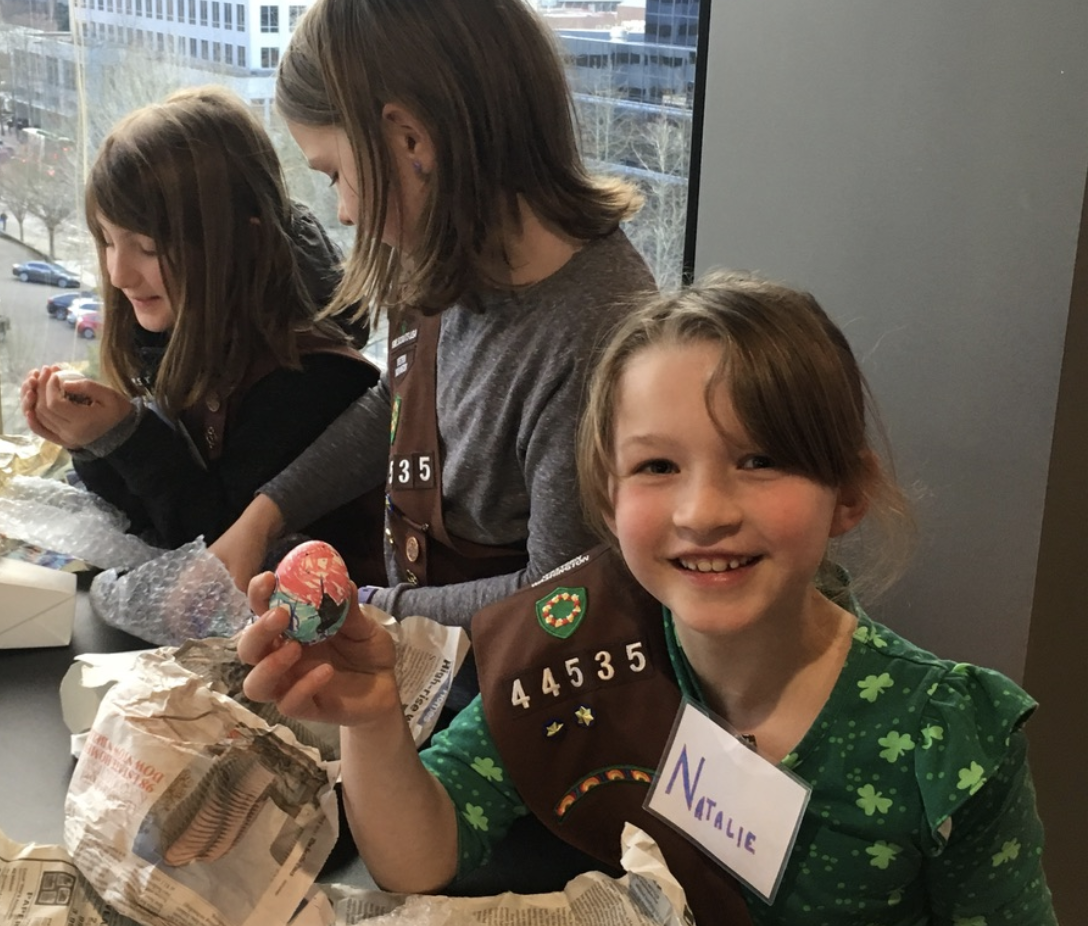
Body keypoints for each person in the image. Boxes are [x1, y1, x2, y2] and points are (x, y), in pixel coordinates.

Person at [236, 273, 1056, 925]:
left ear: (847, 495)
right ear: (609, 494)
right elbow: (423, 856)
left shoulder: (947, 740)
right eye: (658, 468)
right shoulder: (572, 654)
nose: (703, 513)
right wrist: (374, 717)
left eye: (761, 459)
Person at [210, 0, 655, 657]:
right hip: (421, 656)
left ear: (410, 140)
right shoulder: (442, 254)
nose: (343, 214)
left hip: (507, 707)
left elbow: (558, 595)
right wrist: (265, 514)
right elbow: (401, 400)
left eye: (336, 174)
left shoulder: (596, 341)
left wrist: (360, 610)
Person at [19, 86, 383, 575]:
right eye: (107, 241)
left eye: (147, 248)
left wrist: (129, 437)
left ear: (244, 243)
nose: (118, 274)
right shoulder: (182, 335)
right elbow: (150, 513)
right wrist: (93, 442)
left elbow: (221, 552)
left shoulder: (313, 381)